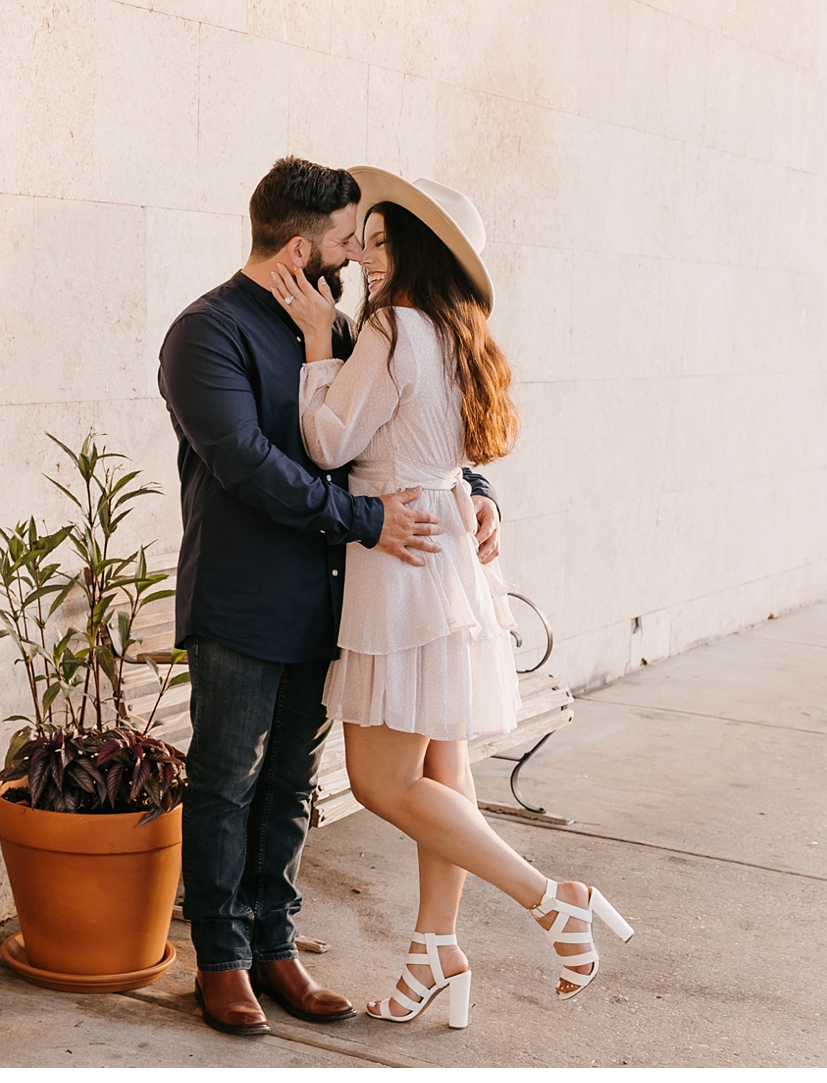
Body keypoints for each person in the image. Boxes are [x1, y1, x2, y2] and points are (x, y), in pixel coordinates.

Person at [262, 167, 633, 1029]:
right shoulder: (463, 335)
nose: (369, 258)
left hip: (402, 556)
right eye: (369, 239)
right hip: (452, 559)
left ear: (420, 252)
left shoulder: (391, 328)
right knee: (440, 764)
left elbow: (325, 442)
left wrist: (321, 341)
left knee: (378, 778)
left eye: (385, 242)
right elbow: (451, 455)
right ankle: (436, 949)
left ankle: (553, 898)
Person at [156, 157, 502, 1037]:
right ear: (306, 246)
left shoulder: (343, 329)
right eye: (350, 238)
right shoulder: (205, 333)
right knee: (227, 779)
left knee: (292, 783)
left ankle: (276, 945)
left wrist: (480, 494)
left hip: (332, 597)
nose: (358, 252)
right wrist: (363, 518)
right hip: (241, 598)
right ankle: (222, 959)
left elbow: (401, 427)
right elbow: (248, 466)